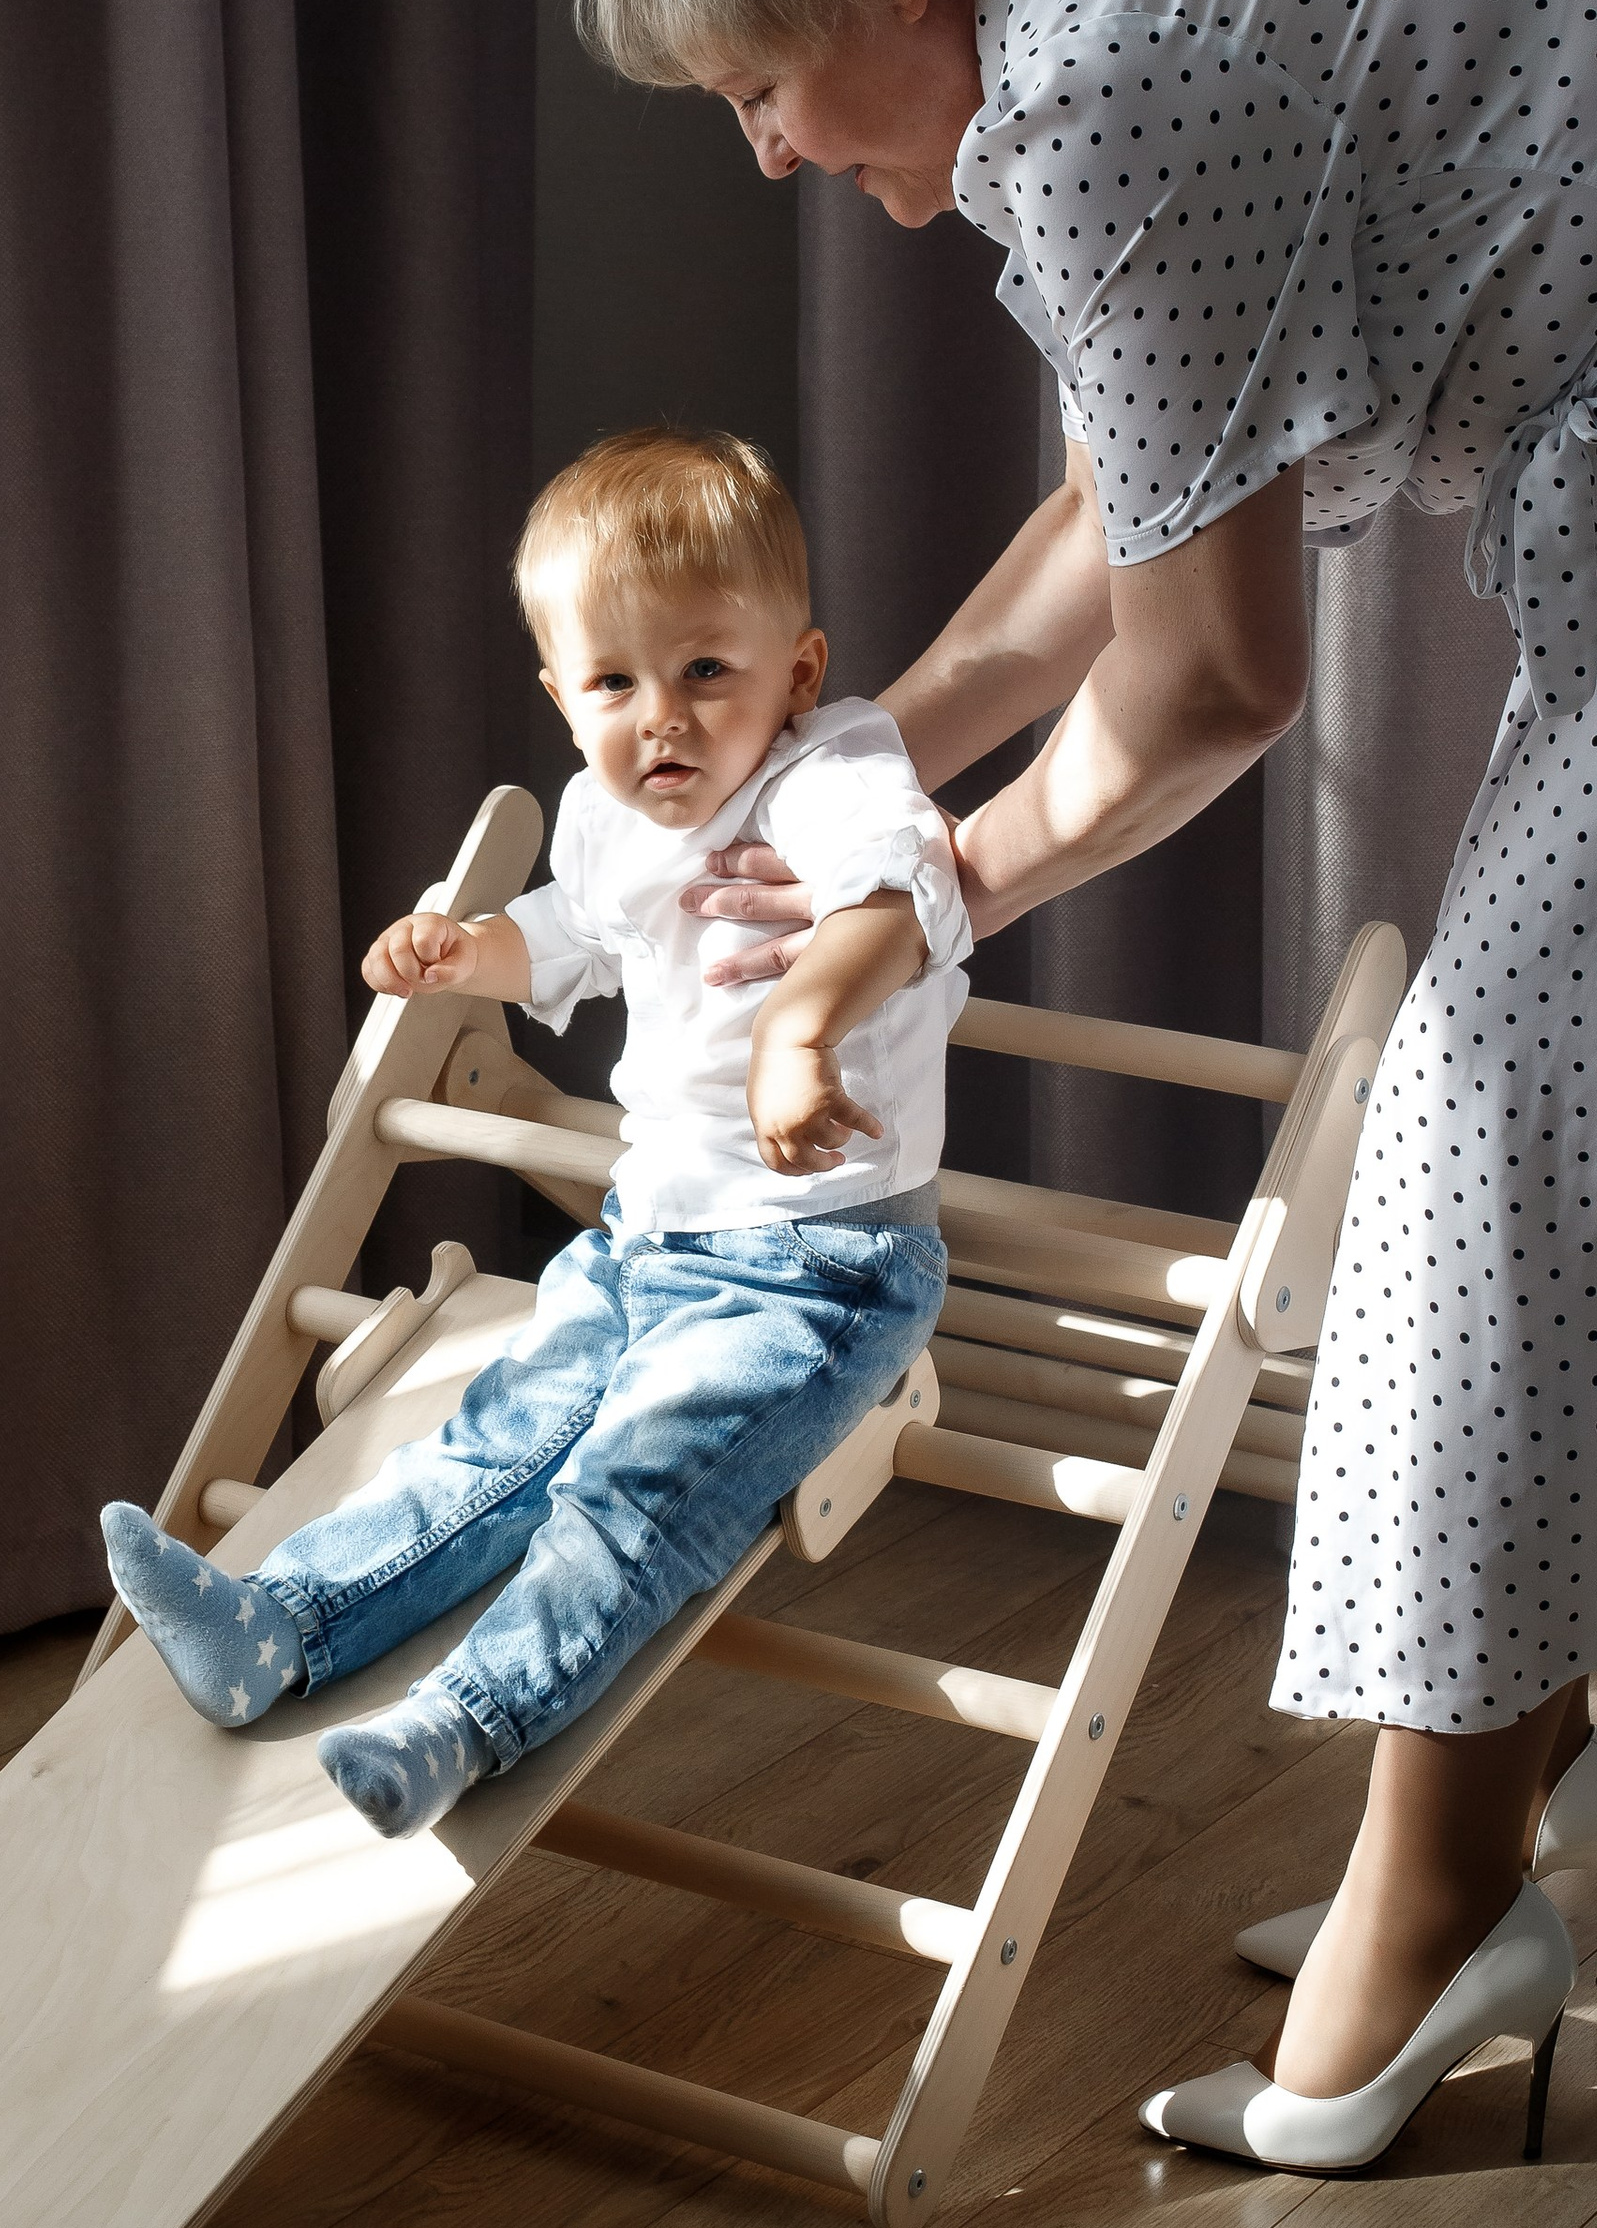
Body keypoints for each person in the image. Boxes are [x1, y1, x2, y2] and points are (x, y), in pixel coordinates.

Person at [576, 0, 1597, 2170]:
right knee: (1537, 1131)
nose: (769, 152)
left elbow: (1208, 686)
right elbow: (1132, 497)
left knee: (1493, 1152)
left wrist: (914, 904)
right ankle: (1520, 1788)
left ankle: (1440, 1894)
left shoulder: (1096, 83)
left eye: (763, 84)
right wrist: (856, 756)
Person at [99, 425, 964, 1839]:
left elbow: (896, 897)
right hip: (644, 1243)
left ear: (796, 674)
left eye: (707, 671)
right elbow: (575, 937)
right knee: (494, 1446)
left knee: (636, 1492)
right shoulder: (605, 815)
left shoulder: (834, 770)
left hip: (822, 1269)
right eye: (616, 682)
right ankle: (278, 1628)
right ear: (563, 695)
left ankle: (467, 1719)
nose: (662, 720)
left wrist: (800, 1034)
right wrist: (466, 949)